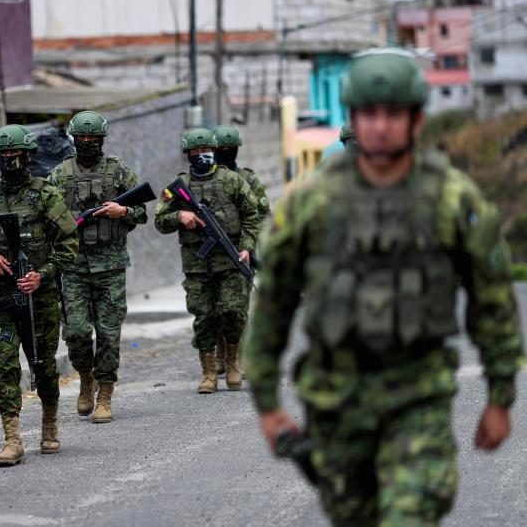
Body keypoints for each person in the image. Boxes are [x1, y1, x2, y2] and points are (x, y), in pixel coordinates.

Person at [243, 48, 525, 526]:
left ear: (416, 120)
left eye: (393, 113)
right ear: (352, 119)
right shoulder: (311, 204)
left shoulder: (453, 199)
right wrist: (268, 405)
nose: (379, 126)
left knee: (408, 517)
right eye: (368, 114)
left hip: (420, 400)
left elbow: (492, 302)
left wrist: (500, 397)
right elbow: (272, 305)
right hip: (335, 406)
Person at [0, 124, 78, 466]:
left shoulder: (46, 195)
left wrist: (41, 275)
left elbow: (69, 244)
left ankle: (48, 426)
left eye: (16, 155)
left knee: (43, 367)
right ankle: (12, 439)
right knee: (5, 366)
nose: (10, 162)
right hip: (0, 299)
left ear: (28, 156)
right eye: (4, 156)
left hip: (39, 299)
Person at [48, 110, 148, 423]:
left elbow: (143, 212)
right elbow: (46, 215)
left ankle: (104, 393)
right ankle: (85, 377)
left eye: (93, 138)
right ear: (74, 140)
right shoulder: (61, 175)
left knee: (108, 334)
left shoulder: (118, 172)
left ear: (102, 139)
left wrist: (123, 211)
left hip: (111, 266)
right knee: (76, 332)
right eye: (82, 138)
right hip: (74, 266)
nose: (88, 142)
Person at [155, 128, 261, 393]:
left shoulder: (233, 181)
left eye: (206, 151)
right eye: (195, 152)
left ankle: (233, 362)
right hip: (197, 265)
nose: (201, 156)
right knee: (204, 317)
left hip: (230, 260)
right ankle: (209, 371)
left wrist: (247, 248)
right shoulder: (178, 187)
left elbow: (251, 216)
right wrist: (179, 216)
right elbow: (159, 220)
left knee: (233, 312)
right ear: (187, 155)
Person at [212, 124, 271, 373]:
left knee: (238, 308)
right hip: (212, 254)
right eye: (221, 149)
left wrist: (252, 244)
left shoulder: (248, 179)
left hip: (242, 253)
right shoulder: (205, 180)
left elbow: (263, 215)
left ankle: (240, 357)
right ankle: (220, 354)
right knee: (213, 307)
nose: (226, 152)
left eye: (231, 149)